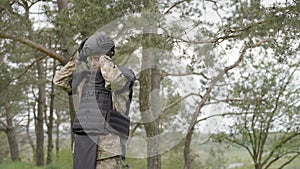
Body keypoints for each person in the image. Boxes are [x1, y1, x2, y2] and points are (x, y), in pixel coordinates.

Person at [53, 32, 135, 169]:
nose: (93, 63)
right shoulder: (83, 80)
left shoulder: (123, 76)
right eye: (90, 59)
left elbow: (114, 81)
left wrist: (103, 56)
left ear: (106, 58)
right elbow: (58, 81)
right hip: (82, 146)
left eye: (96, 59)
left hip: (107, 149)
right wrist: (77, 59)